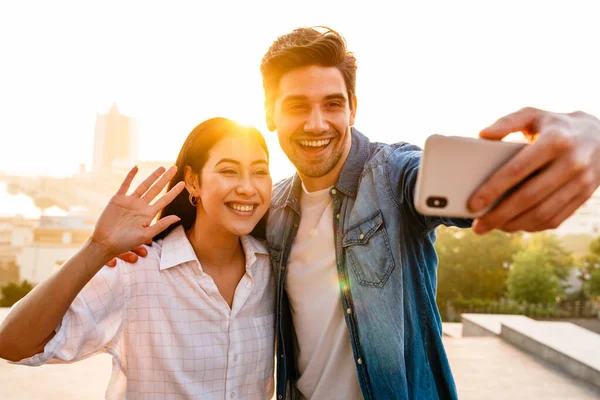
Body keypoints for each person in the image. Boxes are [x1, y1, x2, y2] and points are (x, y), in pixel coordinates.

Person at [112, 27, 600, 399]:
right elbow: (210, 228)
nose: (317, 123)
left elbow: (457, 180)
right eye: (298, 106)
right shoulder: (273, 206)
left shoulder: (393, 178)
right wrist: (127, 246)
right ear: (269, 115)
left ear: (353, 108)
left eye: (332, 104)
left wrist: (587, 135)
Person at [0, 117, 276, 399]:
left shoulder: (273, 267)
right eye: (229, 171)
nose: (247, 188)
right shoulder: (136, 271)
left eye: (259, 172)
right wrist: (98, 247)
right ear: (193, 181)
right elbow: (12, 344)